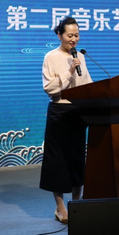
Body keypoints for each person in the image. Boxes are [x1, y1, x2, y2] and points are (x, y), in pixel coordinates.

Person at [39, 17, 92, 224]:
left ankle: (77, 203)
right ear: (59, 35)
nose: (74, 39)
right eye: (70, 35)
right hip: (59, 112)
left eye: (76, 35)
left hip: (78, 112)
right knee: (58, 160)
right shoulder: (51, 57)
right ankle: (60, 207)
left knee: (78, 158)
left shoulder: (80, 56)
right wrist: (69, 71)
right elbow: (49, 88)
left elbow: (87, 83)